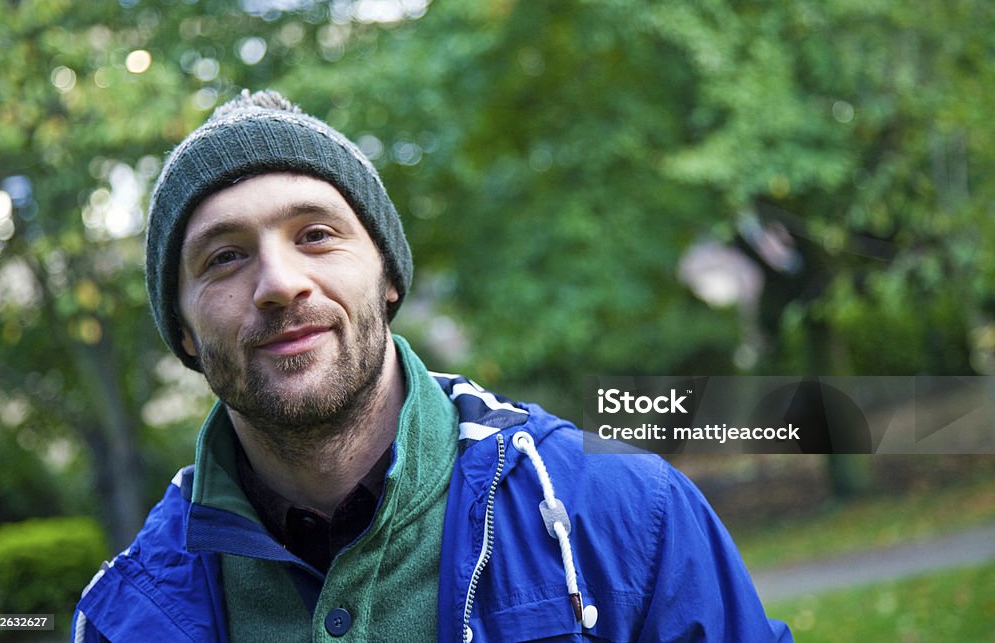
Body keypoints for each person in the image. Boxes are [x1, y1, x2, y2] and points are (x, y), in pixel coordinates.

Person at [72, 90, 791, 642]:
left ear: (389, 278)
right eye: (224, 256)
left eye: (316, 234)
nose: (280, 282)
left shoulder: (627, 514)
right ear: (186, 335)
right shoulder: (122, 620)